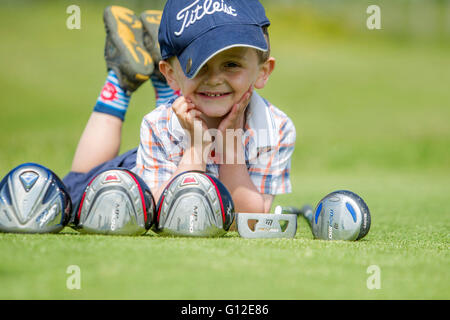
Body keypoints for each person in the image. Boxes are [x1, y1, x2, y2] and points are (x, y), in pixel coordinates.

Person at [63, 0, 296, 229]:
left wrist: (230, 145)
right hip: (142, 177)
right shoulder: (157, 125)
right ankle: (120, 78)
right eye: (197, 65)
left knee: (195, 93)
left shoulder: (276, 128)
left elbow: (249, 220)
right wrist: (196, 148)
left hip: (175, 164)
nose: (215, 79)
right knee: (74, 192)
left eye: (231, 64)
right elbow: (162, 214)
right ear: (171, 73)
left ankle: (163, 83)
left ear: (263, 72)